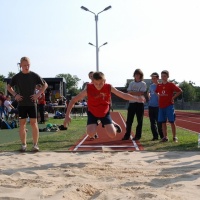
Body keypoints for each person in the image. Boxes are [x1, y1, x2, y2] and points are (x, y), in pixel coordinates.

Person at [63, 72, 145, 139]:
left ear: (104, 81)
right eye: (96, 84)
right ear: (92, 82)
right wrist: (67, 115)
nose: (98, 86)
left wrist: (137, 98)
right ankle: (100, 123)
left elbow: (123, 95)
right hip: (93, 112)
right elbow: (73, 100)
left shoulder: (109, 87)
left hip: (104, 112)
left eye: (101, 84)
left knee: (112, 135)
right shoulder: (88, 88)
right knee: (91, 134)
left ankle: (113, 125)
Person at [7, 56, 48, 152]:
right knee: (22, 124)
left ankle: (35, 145)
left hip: (32, 103)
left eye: (28, 65)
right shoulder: (17, 77)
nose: (26, 67)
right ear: (21, 65)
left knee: (34, 123)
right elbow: (9, 87)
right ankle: (23, 145)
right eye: (24, 65)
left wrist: (38, 94)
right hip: (22, 104)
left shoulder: (34, 75)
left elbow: (45, 84)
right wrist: (15, 95)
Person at [155, 70, 182, 142]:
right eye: (162, 76)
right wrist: (158, 96)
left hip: (169, 106)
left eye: (164, 76)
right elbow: (156, 92)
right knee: (163, 122)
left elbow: (180, 91)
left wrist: (173, 97)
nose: (163, 77)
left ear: (167, 76)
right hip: (161, 106)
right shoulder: (159, 85)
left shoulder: (171, 84)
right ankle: (165, 137)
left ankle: (174, 137)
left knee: (172, 122)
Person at [122, 69, 147, 141]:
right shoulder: (131, 83)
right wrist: (135, 93)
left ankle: (138, 136)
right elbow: (128, 92)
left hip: (139, 104)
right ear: (134, 75)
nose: (137, 76)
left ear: (141, 75)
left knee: (139, 120)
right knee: (129, 121)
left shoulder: (143, 83)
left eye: (138, 74)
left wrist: (132, 92)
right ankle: (127, 135)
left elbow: (141, 93)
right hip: (132, 103)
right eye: (136, 74)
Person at [148, 72, 163, 141]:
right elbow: (149, 92)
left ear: (158, 78)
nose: (153, 79)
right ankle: (155, 136)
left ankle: (162, 136)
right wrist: (148, 95)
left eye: (154, 78)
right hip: (151, 105)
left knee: (159, 122)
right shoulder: (151, 86)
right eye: (152, 78)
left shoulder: (161, 86)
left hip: (158, 106)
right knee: (152, 122)